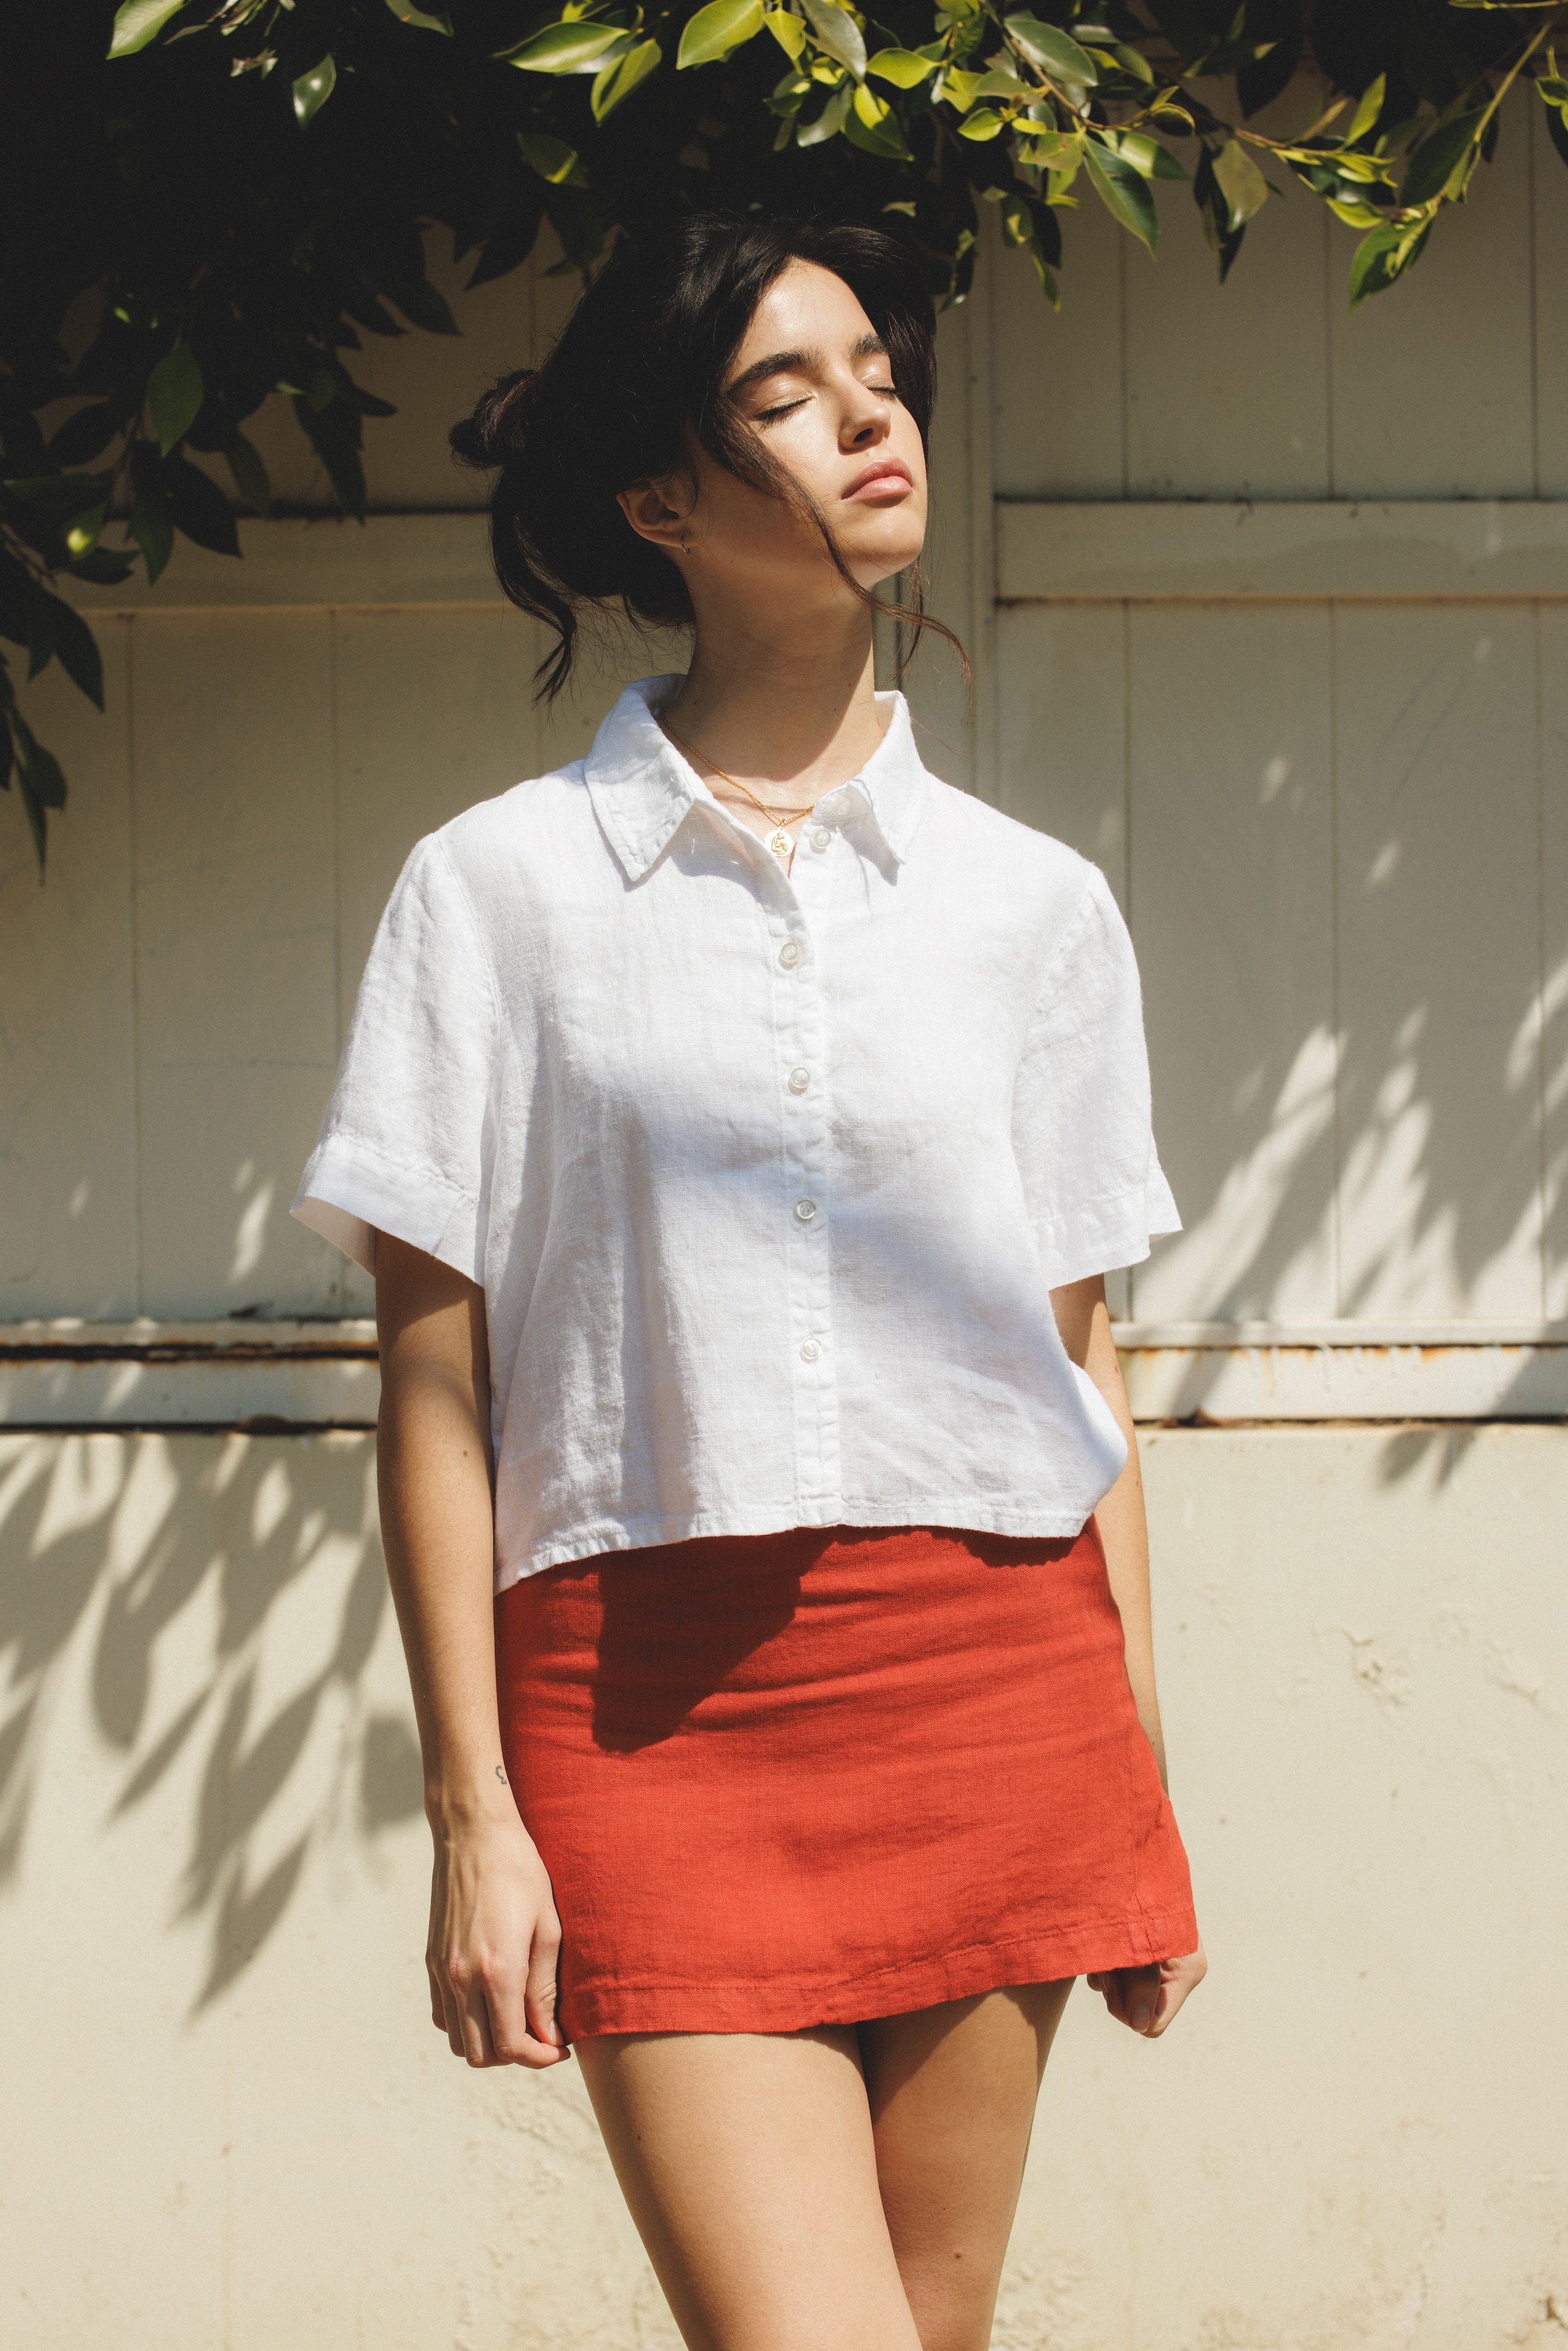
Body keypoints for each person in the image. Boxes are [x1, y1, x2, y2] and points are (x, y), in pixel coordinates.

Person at [292, 213, 1205, 2351]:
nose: (871, 415)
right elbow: (437, 1381)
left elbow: (1082, 1376)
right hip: (646, 1713)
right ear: (660, 497)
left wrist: (1144, 1794)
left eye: (878, 371)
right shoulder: (496, 892)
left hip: (997, 1687)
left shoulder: (1034, 909)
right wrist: (472, 1810)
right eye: (787, 393)